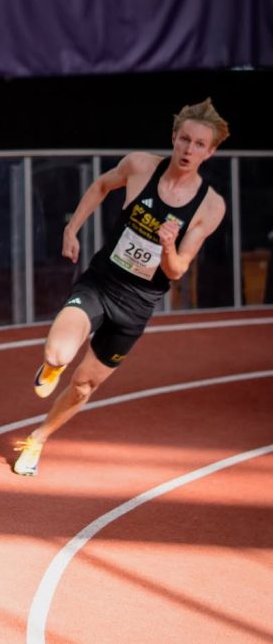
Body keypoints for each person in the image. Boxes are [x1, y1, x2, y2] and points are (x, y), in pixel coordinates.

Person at [13, 98, 230, 477]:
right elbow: (101, 186)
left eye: (199, 145)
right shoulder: (141, 166)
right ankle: (51, 366)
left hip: (137, 305)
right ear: (174, 138)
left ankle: (38, 438)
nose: (188, 149)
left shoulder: (209, 207)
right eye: (184, 140)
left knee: (82, 387)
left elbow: (178, 270)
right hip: (102, 281)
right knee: (60, 353)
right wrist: (72, 228)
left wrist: (167, 246)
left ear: (210, 152)